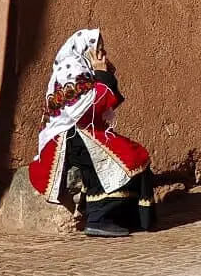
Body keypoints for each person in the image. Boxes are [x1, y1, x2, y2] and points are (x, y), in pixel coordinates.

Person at [28, 29, 156, 237]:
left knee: (135, 154)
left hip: (82, 133)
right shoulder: (70, 68)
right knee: (126, 159)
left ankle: (125, 217)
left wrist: (104, 75)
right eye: (98, 50)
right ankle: (99, 218)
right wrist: (103, 75)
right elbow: (87, 109)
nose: (102, 55)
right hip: (68, 138)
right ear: (85, 49)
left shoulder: (81, 69)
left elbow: (101, 106)